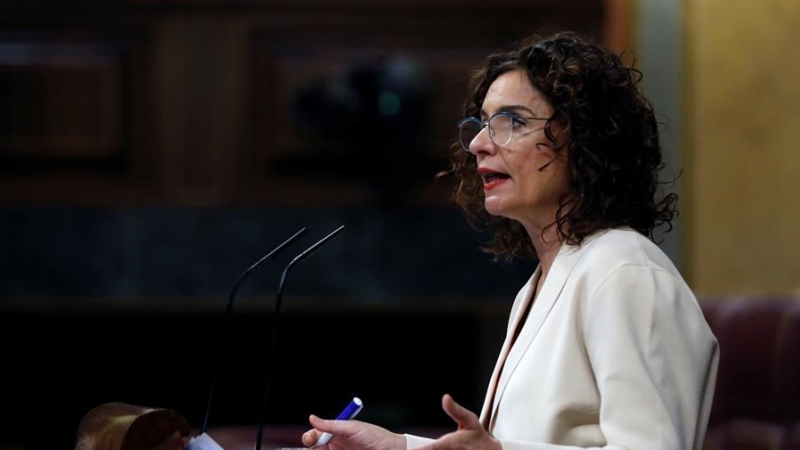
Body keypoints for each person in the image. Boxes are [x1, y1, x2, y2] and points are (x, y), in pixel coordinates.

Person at [300, 30, 719, 450]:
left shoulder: (626, 271)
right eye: (481, 125)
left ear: (584, 137)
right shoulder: (544, 281)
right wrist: (400, 447)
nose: (480, 144)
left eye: (512, 122)